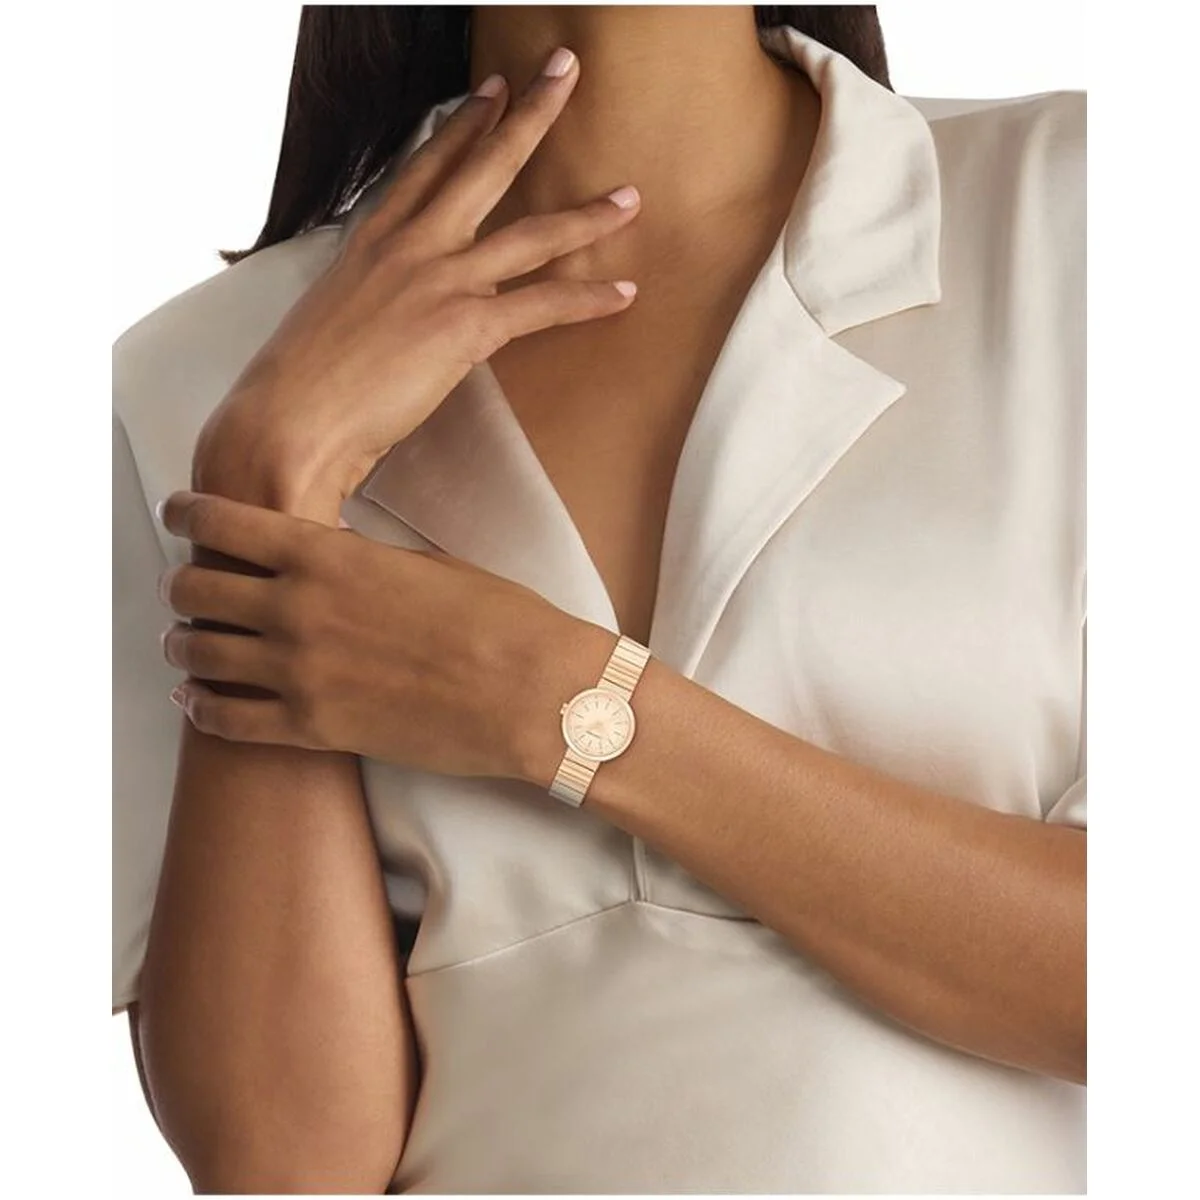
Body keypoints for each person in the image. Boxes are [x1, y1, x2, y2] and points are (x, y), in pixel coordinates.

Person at [113, 5, 1086, 1194]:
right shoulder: (200, 378)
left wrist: (559, 704)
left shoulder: (1084, 214)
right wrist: (269, 480)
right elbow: (281, 1166)